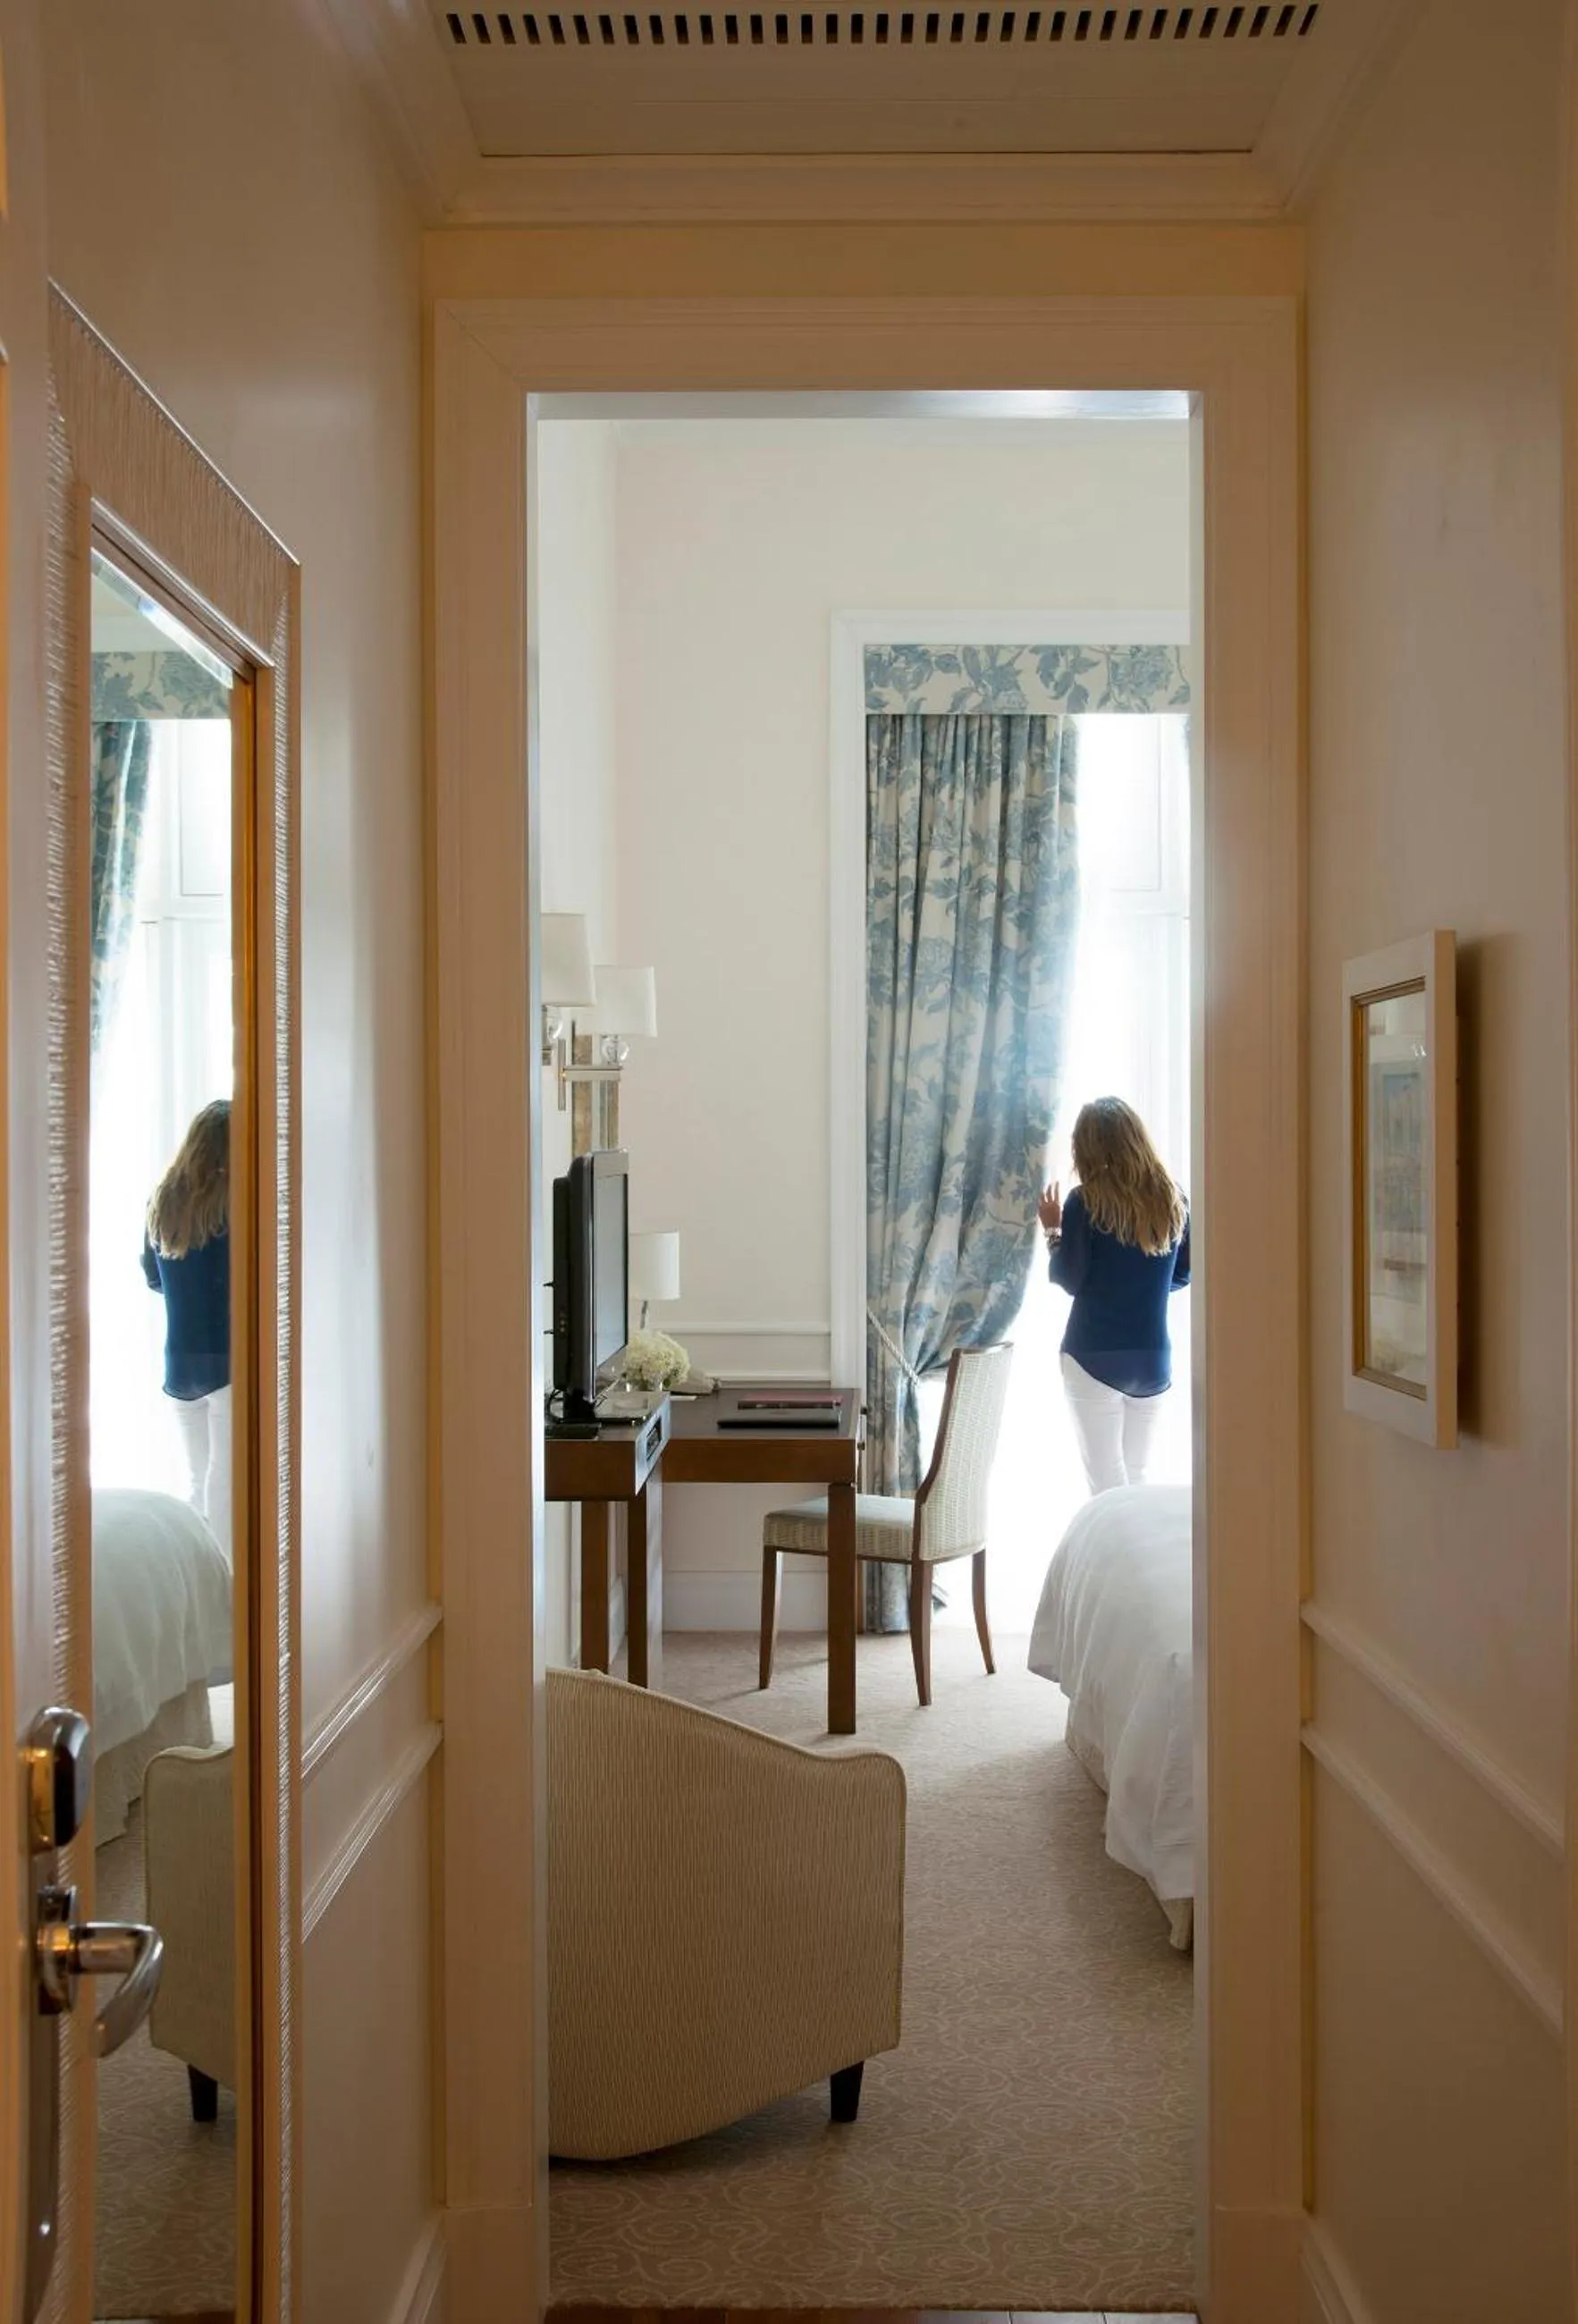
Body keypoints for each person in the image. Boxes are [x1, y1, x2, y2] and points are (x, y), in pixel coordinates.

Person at [1037, 1095, 1190, 1496]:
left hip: (1094, 1356)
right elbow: (1183, 1274)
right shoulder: (1173, 1200)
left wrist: (1053, 1233)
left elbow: (1068, 1279)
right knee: (1135, 1482)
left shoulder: (1084, 1201)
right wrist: (1140, 1285)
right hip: (1153, 1360)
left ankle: (1109, 1560)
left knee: (1106, 1487)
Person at [142, 1098, 232, 1554]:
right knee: (226, 1477)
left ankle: (202, 1568)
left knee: (200, 1479)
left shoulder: (162, 1201)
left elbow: (154, 1277)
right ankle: (226, 1575)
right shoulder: (233, 1205)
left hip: (179, 1363)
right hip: (226, 1359)